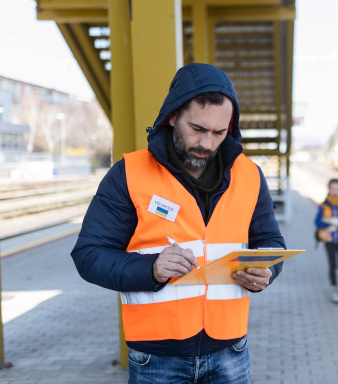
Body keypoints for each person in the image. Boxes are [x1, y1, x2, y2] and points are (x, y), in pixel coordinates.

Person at [71, 63, 285, 384]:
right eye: (197, 129)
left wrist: (267, 270)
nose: (208, 144)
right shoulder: (128, 173)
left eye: (219, 132)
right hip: (156, 358)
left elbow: (271, 241)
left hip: (231, 351)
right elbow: (89, 255)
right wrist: (152, 268)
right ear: (172, 117)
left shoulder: (250, 174)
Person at [314, 178, 338, 304]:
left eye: (337, 189)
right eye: (332, 189)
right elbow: (317, 221)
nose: (335, 192)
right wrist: (328, 222)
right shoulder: (323, 206)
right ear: (329, 189)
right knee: (333, 266)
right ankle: (334, 290)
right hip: (329, 241)